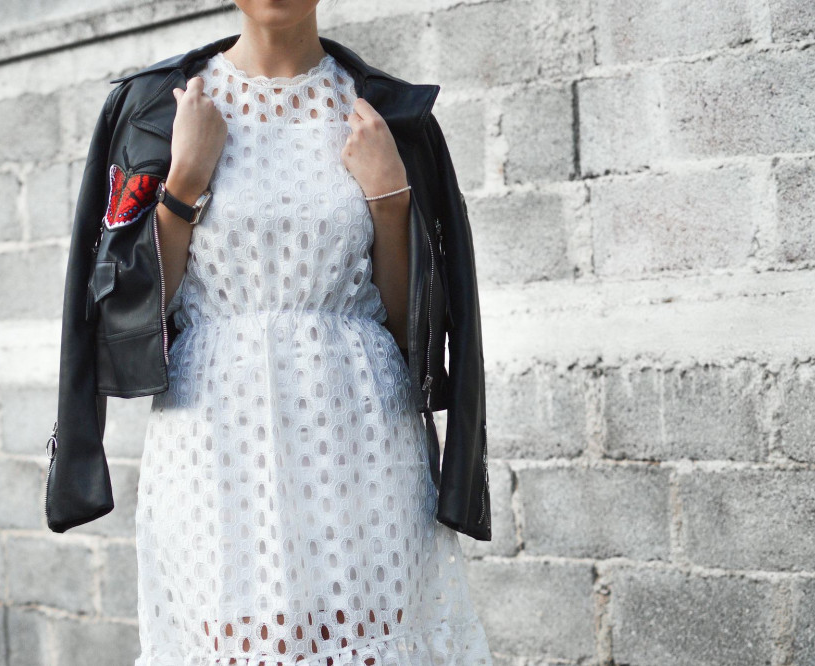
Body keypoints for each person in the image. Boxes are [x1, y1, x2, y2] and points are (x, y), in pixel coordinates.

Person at [58, 0, 494, 662]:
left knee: (368, 640)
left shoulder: (388, 114)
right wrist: (184, 181)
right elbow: (129, 315)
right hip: (215, 440)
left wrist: (390, 198)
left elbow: (412, 330)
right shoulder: (158, 108)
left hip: (362, 436)